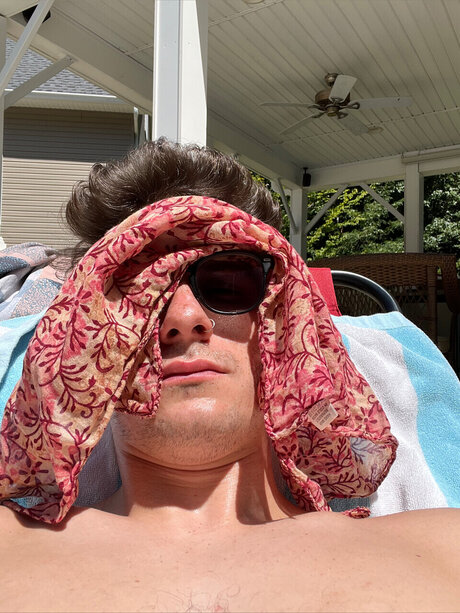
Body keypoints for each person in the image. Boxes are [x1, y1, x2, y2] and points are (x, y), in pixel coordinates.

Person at [0, 139, 459, 613]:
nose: (184, 319)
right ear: (87, 338)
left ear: (288, 322)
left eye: (228, 281)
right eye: (137, 291)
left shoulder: (443, 546)